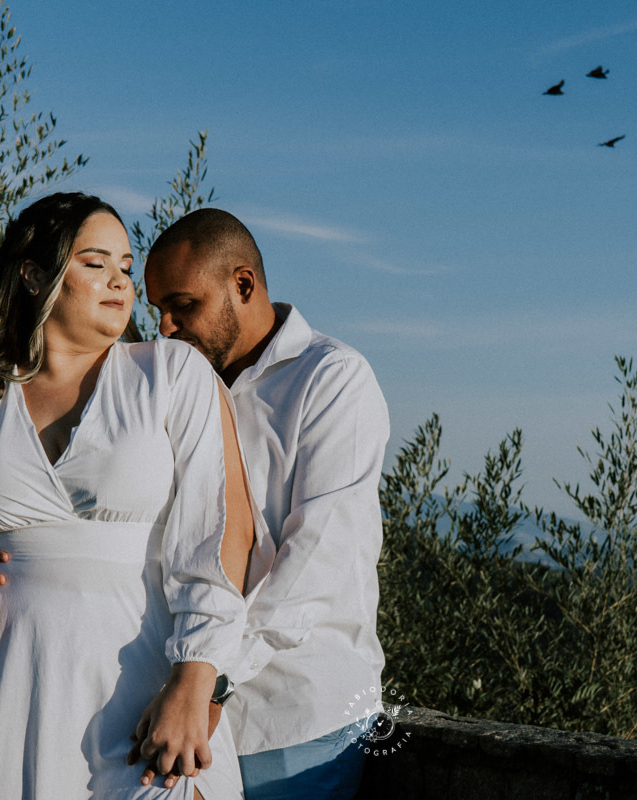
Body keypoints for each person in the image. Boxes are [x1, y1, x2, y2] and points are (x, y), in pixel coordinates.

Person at [0, 192, 257, 799]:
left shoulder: (171, 374)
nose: (119, 281)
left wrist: (195, 680)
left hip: (137, 689)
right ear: (35, 275)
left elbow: (220, 534)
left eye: (124, 265)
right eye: (95, 263)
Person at [141, 209, 390, 798]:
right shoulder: (178, 388)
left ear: (243, 285)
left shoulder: (333, 380)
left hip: (297, 718)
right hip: (185, 709)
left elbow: (316, 564)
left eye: (183, 307)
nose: (166, 330)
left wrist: (209, 677)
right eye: (158, 313)